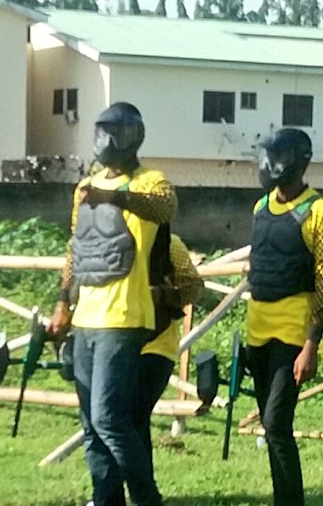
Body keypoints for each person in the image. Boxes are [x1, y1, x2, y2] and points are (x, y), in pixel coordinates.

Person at [47, 102, 176, 506]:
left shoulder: (152, 182)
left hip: (123, 318)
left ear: (134, 135)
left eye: (114, 131)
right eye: (100, 131)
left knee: (109, 418)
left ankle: (146, 498)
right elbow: (77, 249)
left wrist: (116, 197)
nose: (106, 140)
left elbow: (164, 209)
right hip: (85, 316)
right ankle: (105, 499)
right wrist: (62, 305)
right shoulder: (85, 187)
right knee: (90, 424)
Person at [246, 128, 323, 506]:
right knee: (271, 429)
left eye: (277, 158)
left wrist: (311, 344)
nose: (269, 166)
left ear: (300, 161)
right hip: (257, 332)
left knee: (276, 423)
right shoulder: (260, 207)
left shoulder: (320, 211)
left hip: (293, 334)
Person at [107, 232, 204, 506]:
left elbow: (193, 287)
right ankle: (111, 494)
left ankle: (144, 496)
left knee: (132, 417)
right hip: (111, 340)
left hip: (155, 343)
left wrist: (160, 294)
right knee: (111, 420)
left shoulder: (169, 243)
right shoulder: (100, 238)